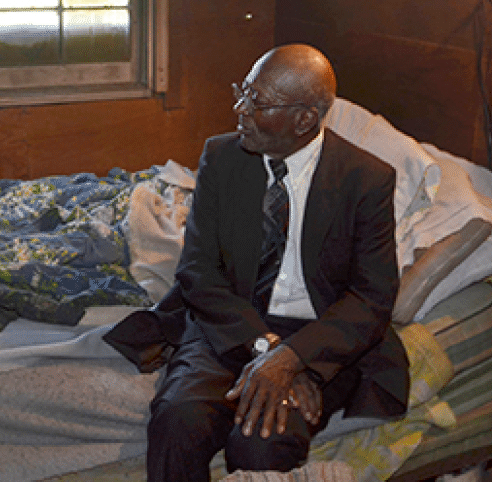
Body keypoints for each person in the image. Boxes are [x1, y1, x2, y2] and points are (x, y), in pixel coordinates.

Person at [105, 43, 409, 481]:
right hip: (232, 325)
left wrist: (297, 359)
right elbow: (198, 271)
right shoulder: (222, 158)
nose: (239, 109)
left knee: (261, 439)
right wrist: (268, 350)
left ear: (304, 119)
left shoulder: (366, 179)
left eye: (257, 102)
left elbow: (371, 298)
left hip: (317, 337)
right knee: (177, 420)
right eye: (242, 92)